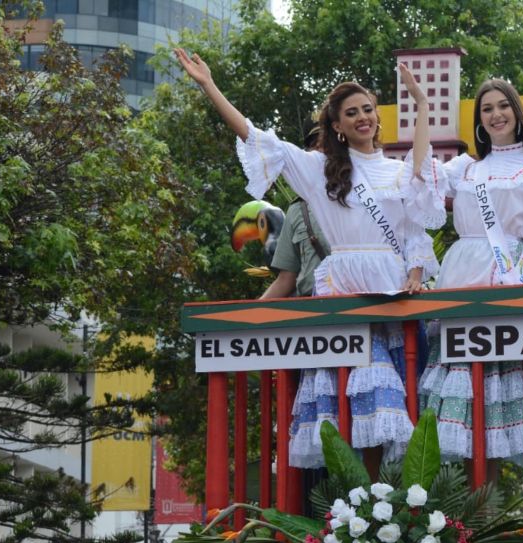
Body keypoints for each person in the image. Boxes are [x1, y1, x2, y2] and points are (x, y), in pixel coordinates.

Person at [174, 48, 446, 473]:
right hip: (342, 291)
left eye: (368, 109)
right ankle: (351, 506)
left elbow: (414, 233)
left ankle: (382, 504)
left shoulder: (396, 172)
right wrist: (210, 86)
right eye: (352, 112)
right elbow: (254, 136)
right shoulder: (319, 170)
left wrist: (424, 106)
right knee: (348, 400)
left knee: (394, 400)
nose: (363, 118)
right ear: (336, 126)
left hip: (391, 295)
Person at [419, 79, 523, 469]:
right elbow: (417, 177)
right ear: (479, 120)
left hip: (507, 269)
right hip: (461, 270)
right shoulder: (465, 167)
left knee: (499, 385)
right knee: (462, 393)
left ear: (516, 111)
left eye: (502, 106)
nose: (495, 115)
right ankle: (468, 518)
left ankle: (495, 511)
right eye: (486, 109)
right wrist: (421, 107)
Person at [260, 116, 329, 299]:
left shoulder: (363, 195)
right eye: (315, 145)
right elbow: (286, 278)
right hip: (312, 309)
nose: (322, 150)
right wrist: (248, 317)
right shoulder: (298, 209)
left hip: (359, 306)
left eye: (329, 142)